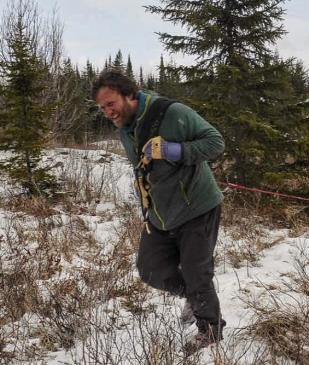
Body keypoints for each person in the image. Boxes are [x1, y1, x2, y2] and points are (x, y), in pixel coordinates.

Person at [92, 68, 226, 351]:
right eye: (102, 107)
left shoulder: (172, 113)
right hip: (160, 213)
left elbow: (215, 143)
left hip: (197, 206)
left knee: (196, 271)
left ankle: (210, 331)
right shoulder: (125, 128)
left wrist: (171, 150)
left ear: (130, 95)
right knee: (150, 269)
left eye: (111, 104)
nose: (107, 112)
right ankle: (193, 294)